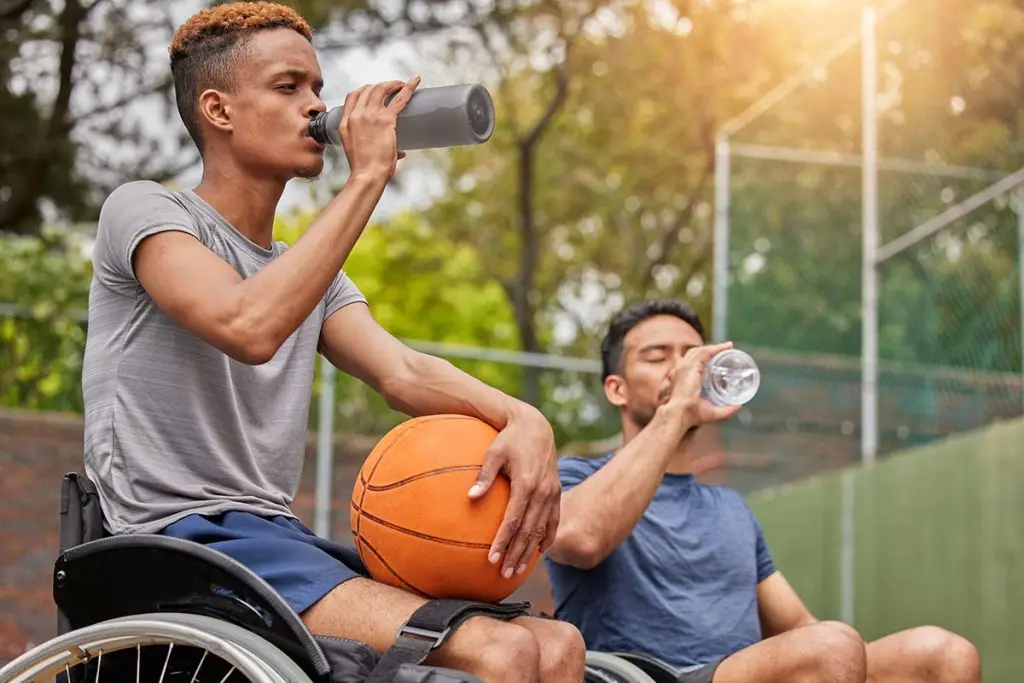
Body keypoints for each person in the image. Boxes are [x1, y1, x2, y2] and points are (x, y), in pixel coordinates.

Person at [81, 3, 585, 682]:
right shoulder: (145, 209)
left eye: (317, 87)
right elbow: (247, 325)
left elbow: (403, 371)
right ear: (218, 110)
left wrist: (524, 418)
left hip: (270, 537)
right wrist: (368, 177)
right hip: (173, 541)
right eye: (288, 87)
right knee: (503, 653)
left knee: (558, 646)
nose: (316, 105)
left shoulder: (308, 272)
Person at [543, 299, 982, 683]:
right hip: (642, 675)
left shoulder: (729, 507)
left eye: (691, 357)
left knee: (942, 654)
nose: (680, 371)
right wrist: (676, 410)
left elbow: (799, 624)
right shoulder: (578, 477)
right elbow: (580, 538)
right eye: (658, 358)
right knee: (831, 646)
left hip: (741, 671)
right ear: (616, 389)